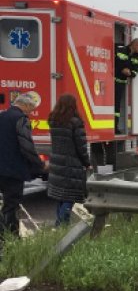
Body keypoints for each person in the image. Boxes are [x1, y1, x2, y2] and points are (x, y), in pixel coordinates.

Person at [0, 92, 45, 257]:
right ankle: (11, 239)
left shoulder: (2, 116)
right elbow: (27, 146)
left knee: (5, 206)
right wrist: (39, 165)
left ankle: (4, 238)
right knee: (11, 206)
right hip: (13, 171)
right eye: (31, 109)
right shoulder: (21, 119)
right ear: (25, 106)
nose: (31, 112)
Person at [46, 94, 92, 227]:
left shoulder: (53, 120)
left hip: (56, 162)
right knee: (70, 196)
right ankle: (61, 223)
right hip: (71, 164)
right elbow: (81, 146)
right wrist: (86, 162)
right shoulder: (75, 122)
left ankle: (59, 223)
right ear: (73, 105)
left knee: (60, 195)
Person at [114, 38, 138, 134]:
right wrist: (122, 69)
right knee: (114, 105)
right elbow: (115, 63)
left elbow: (135, 70)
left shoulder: (137, 56)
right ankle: (113, 127)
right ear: (134, 45)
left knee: (117, 106)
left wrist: (130, 73)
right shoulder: (121, 50)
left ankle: (115, 127)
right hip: (113, 81)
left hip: (121, 82)